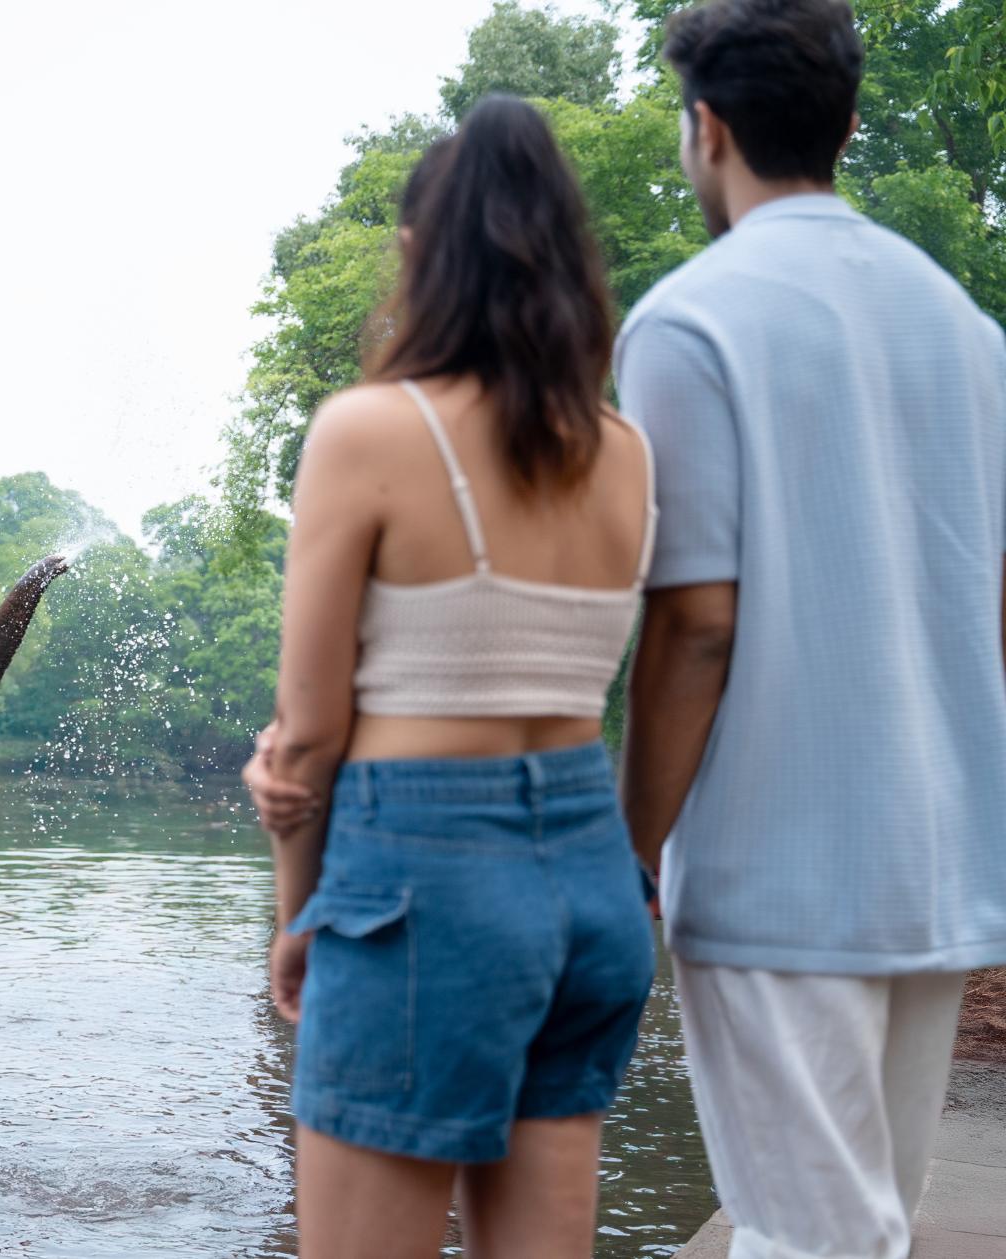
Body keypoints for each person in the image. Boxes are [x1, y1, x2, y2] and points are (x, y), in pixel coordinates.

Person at [615, 0, 1006, 1254]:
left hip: (776, 864)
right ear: (844, 121)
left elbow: (695, 623)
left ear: (706, 128)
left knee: (803, 1233)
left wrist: (630, 843)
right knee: (866, 1218)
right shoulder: (966, 328)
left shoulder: (689, 320)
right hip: (937, 847)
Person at [243, 97, 657, 1258]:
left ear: (420, 258)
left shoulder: (367, 431)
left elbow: (309, 736)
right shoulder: (624, 451)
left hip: (425, 880)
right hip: (588, 880)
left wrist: (299, 912)